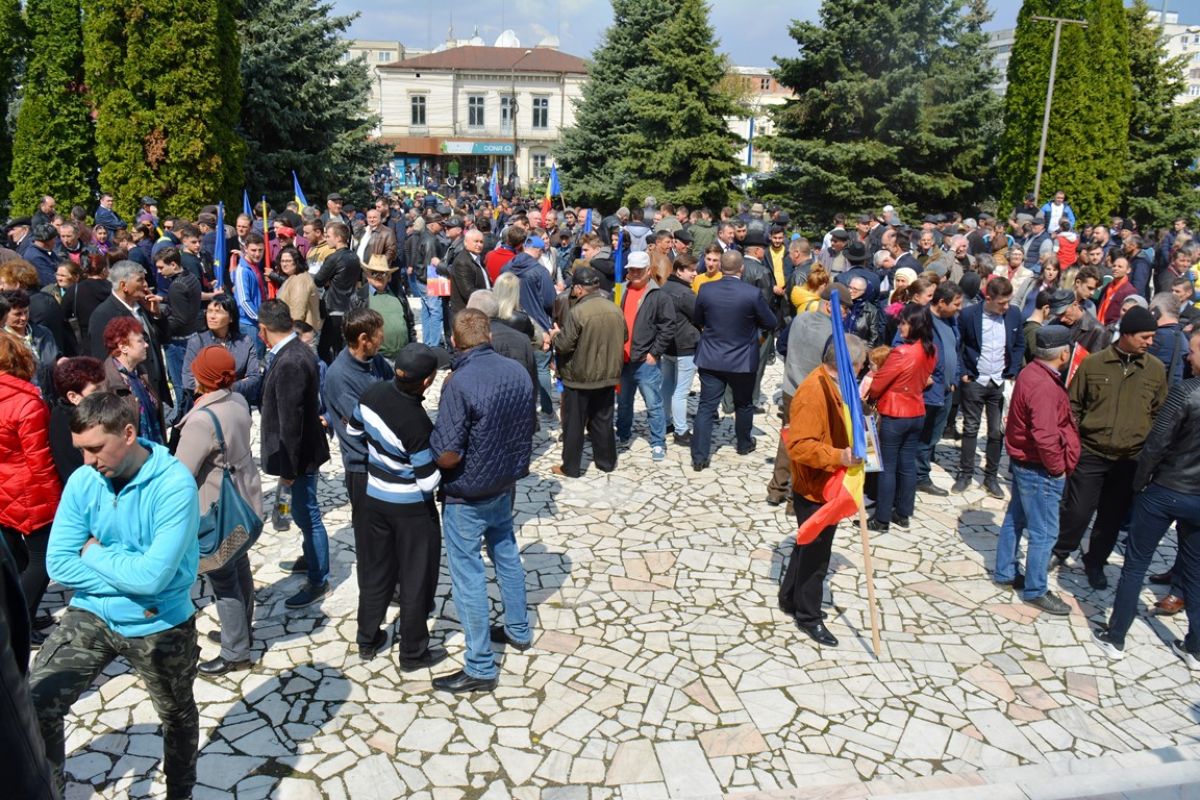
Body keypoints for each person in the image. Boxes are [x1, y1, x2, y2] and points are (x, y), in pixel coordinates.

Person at [31, 391, 200, 800]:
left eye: (95, 448)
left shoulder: (174, 484)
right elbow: (58, 564)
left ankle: (181, 793)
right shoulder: (83, 481)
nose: (87, 460)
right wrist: (134, 574)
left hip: (159, 619)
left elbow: (153, 578)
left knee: (176, 716)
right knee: (35, 705)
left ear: (127, 433)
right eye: (80, 449)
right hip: (92, 613)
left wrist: (93, 552)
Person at [430, 310, 535, 694]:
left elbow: (447, 453)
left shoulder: (459, 382)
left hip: (467, 493)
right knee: (506, 554)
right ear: (488, 335)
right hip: (504, 483)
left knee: (468, 576)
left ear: (454, 342)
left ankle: (479, 666)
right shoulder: (517, 371)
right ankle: (518, 629)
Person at [1093, 331, 1200, 664]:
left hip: (1166, 489)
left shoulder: (1186, 391)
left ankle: (1116, 637)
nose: (1188, 356)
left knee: (1136, 564)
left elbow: (1157, 442)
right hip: (1196, 498)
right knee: (1196, 571)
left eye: (1194, 350)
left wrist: (1140, 483)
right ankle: (1195, 648)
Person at [1052, 306, 1168, 589]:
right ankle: (1061, 549)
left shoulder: (1155, 369)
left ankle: (1095, 562)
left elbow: (1159, 412)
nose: (1150, 342)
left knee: (1111, 518)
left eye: (1152, 336)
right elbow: (1073, 406)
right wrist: (1073, 442)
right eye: (1145, 336)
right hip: (1091, 452)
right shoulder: (1093, 364)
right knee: (1078, 511)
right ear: (1126, 334)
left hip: (1129, 460)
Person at [347, 343, 446, 668]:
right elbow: (428, 482)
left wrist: (383, 455)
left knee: (376, 572)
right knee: (416, 580)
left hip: (375, 499)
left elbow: (353, 430)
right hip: (411, 511)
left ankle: (367, 639)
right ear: (427, 381)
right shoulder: (417, 422)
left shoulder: (372, 393)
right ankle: (413, 653)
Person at [174, 347, 262, 675]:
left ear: (202, 377)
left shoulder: (202, 420)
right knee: (239, 566)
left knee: (223, 577)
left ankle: (235, 652)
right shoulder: (237, 400)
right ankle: (240, 632)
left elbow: (182, 471)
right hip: (244, 502)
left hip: (216, 512)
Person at [781, 333, 869, 646]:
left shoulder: (834, 384)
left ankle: (789, 597)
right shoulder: (813, 392)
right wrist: (839, 456)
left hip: (825, 481)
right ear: (851, 364)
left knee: (806, 543)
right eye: (861, 364)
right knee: (817, 555)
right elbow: (800, 446)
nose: (862, 369)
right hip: (815, 485)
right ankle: (809, 616)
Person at [993, 325, 1080, 615]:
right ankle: (1036, 589)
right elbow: (1044, 435)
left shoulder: (1032, 371)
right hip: (1038, 466)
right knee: (1044, 532)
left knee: (1016, 518)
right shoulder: (1044, 384)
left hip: (1025, 461)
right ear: (1064, 354)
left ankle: (1005, 571)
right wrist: (1057, 468)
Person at [258, 299, 332, 608]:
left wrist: (288, 471)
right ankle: (310, 558)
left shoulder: (290, 360)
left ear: (263, 330)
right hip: (302, 452)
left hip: (299, 457)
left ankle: (318, 578)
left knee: (307, 515)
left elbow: (291, 422)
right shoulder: (297, 350)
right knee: (302, 515)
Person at [0, 333, 63, 643]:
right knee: (43, 560)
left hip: (4, 488)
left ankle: (20, 614)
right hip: (29, 491)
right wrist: (58, 503)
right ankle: (19, 626)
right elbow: (40, 461)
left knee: (17, 562)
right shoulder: (26, 402)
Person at [690, 251, 778, 470]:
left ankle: (699, 456)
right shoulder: (752, 294)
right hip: (742, 359)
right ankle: (744, 444)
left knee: (706, 406)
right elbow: (770, 321)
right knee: (744, 403)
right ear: (742, 268)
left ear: (721, 267)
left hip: (711, 356)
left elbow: (697, 318)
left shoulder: (706, 289)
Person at [322, 308, 393, 570]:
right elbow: (362, 423)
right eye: (379, 333)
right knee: (369, 536)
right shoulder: (339, 376)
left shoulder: (376, 361)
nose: (383, 337)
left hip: (386, 461)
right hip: (363, 466)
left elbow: (395, 391)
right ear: (364, 339)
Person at [866, 304, 937, 531]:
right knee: (907, 464)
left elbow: (878, 383)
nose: (900, 326)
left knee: (887, 466)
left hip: (895, 413)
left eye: (904, 323)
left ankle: (882, 518)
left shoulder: (902, 352)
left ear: (915, 325)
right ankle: (903, 513)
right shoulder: (930, 350)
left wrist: (872, 395)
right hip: (916, 411)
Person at [551, 266, 626, 478]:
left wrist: (556, 334)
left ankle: (571, 467)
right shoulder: (614, 308)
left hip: (580, 377)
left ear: (578, 289)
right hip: (607, 375)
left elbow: (563, 345)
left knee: (574, 424)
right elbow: (625, 336)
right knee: (603, 420)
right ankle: (606, 462)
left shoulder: (578, 312)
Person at [953, 277, 1025, 498]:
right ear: (988, 298)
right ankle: (965, 474)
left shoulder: (1014, 314)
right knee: (971, 427)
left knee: (996, 431)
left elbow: (1019, 344)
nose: (1006, 307)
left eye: (1008, 301)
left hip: (1000, 381)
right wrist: (963, 372)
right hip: (976, 379)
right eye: (1001, 303)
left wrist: (1013, 370)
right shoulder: (969, 315)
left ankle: (990, 477)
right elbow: (959, 345)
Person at [768, 285, 837, 506]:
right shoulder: (834, 332)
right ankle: (794, 497)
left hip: (790, 388)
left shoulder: (799, 318)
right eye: (844, 309)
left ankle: (777, 488)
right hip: (813, 394)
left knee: (787, 437)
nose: (845, 314)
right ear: (830, 305)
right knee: (808, 443)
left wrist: (794, 364)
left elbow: (782, 345)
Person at [614, 251, 675, 460]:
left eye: (639, 270)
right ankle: (622, 434)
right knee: (623, 402)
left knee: (653, 404)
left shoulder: (659, 296)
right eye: (631, 270)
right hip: (623, 359)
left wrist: (654, 353)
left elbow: (667, 327)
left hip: (645, 361)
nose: (635, 273)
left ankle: (658, 442)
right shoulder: (620, 290)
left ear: (649, 271)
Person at [87, 260, 170, 406]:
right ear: (123, 286)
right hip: (132, 397)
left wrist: (156, 314)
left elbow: (163, 338)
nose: (145, 284)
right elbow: (103, 361)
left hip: (156, 390)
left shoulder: (143, 305)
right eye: (140, 280)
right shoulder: (103, 315)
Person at [915, 281, 963, 496]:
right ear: (941, 302)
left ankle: (920, 474)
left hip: (946, 389)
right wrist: (921, 376)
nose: (959, 308)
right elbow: (901, 346)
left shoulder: (951, 320)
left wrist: (954, 378)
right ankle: (919, 477)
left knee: (933, 435)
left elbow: (955, 350)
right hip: (927, 391)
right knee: (923, 436)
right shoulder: (921, 319)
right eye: (956, 304)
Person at [101, 316, 165, 444]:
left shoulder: (139, 373)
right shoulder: (107, 383)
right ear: (123, 347)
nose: (146, 345)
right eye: (140, 341)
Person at [659, 254, 701, 444]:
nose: (695, 273)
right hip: (685, 346)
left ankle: (665, 422)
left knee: (667, 386)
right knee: (681, 391)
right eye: (691, 270)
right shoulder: (686, 294)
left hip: (667, 346)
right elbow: (700, 316)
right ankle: (681, 431)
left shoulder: (664, 288)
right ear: (679, 271)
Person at [311, 222, 363, 363]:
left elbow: (318, 280)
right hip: (350, 307)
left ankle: (332, 374)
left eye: (328, 236)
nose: (326, 239)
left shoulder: (334, 258)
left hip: (334, 307)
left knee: (325, 348)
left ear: (339, 238)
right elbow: (358, 281)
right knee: (343, 347)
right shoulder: (355, 257)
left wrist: (327, 280)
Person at [2, 289, 59, 398]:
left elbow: (53, 361)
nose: (23, 318)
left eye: (26, 312)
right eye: (18, 314)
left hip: (50, 399)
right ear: (5, 315)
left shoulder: (44, 333)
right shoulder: (3, 341)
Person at [362, 254, 415, 361]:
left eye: (383, 273)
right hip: (377, 359)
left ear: (389, 277)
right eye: (374, 273)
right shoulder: (360, 298)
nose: (379, 276)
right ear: (367, 276)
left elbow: (410, 323)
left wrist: (413, 348)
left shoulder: (398, 294)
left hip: (403, 356)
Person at [276, 244, 322, 332]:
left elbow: (297, 313)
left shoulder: (300, 280)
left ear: (297, 262)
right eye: (282, 261)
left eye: (288, 261)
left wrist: (291, 333)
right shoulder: (293, 277)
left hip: (302, 332)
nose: (284, 264)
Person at [449, 229, 490, 320]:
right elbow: (468, 291)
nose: (479, 245)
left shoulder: (478, 258)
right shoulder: (463, 262)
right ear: (466, 243)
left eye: (481, 242)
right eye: (476, 241)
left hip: (478, 309)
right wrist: (488, 297)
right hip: (467, 313)